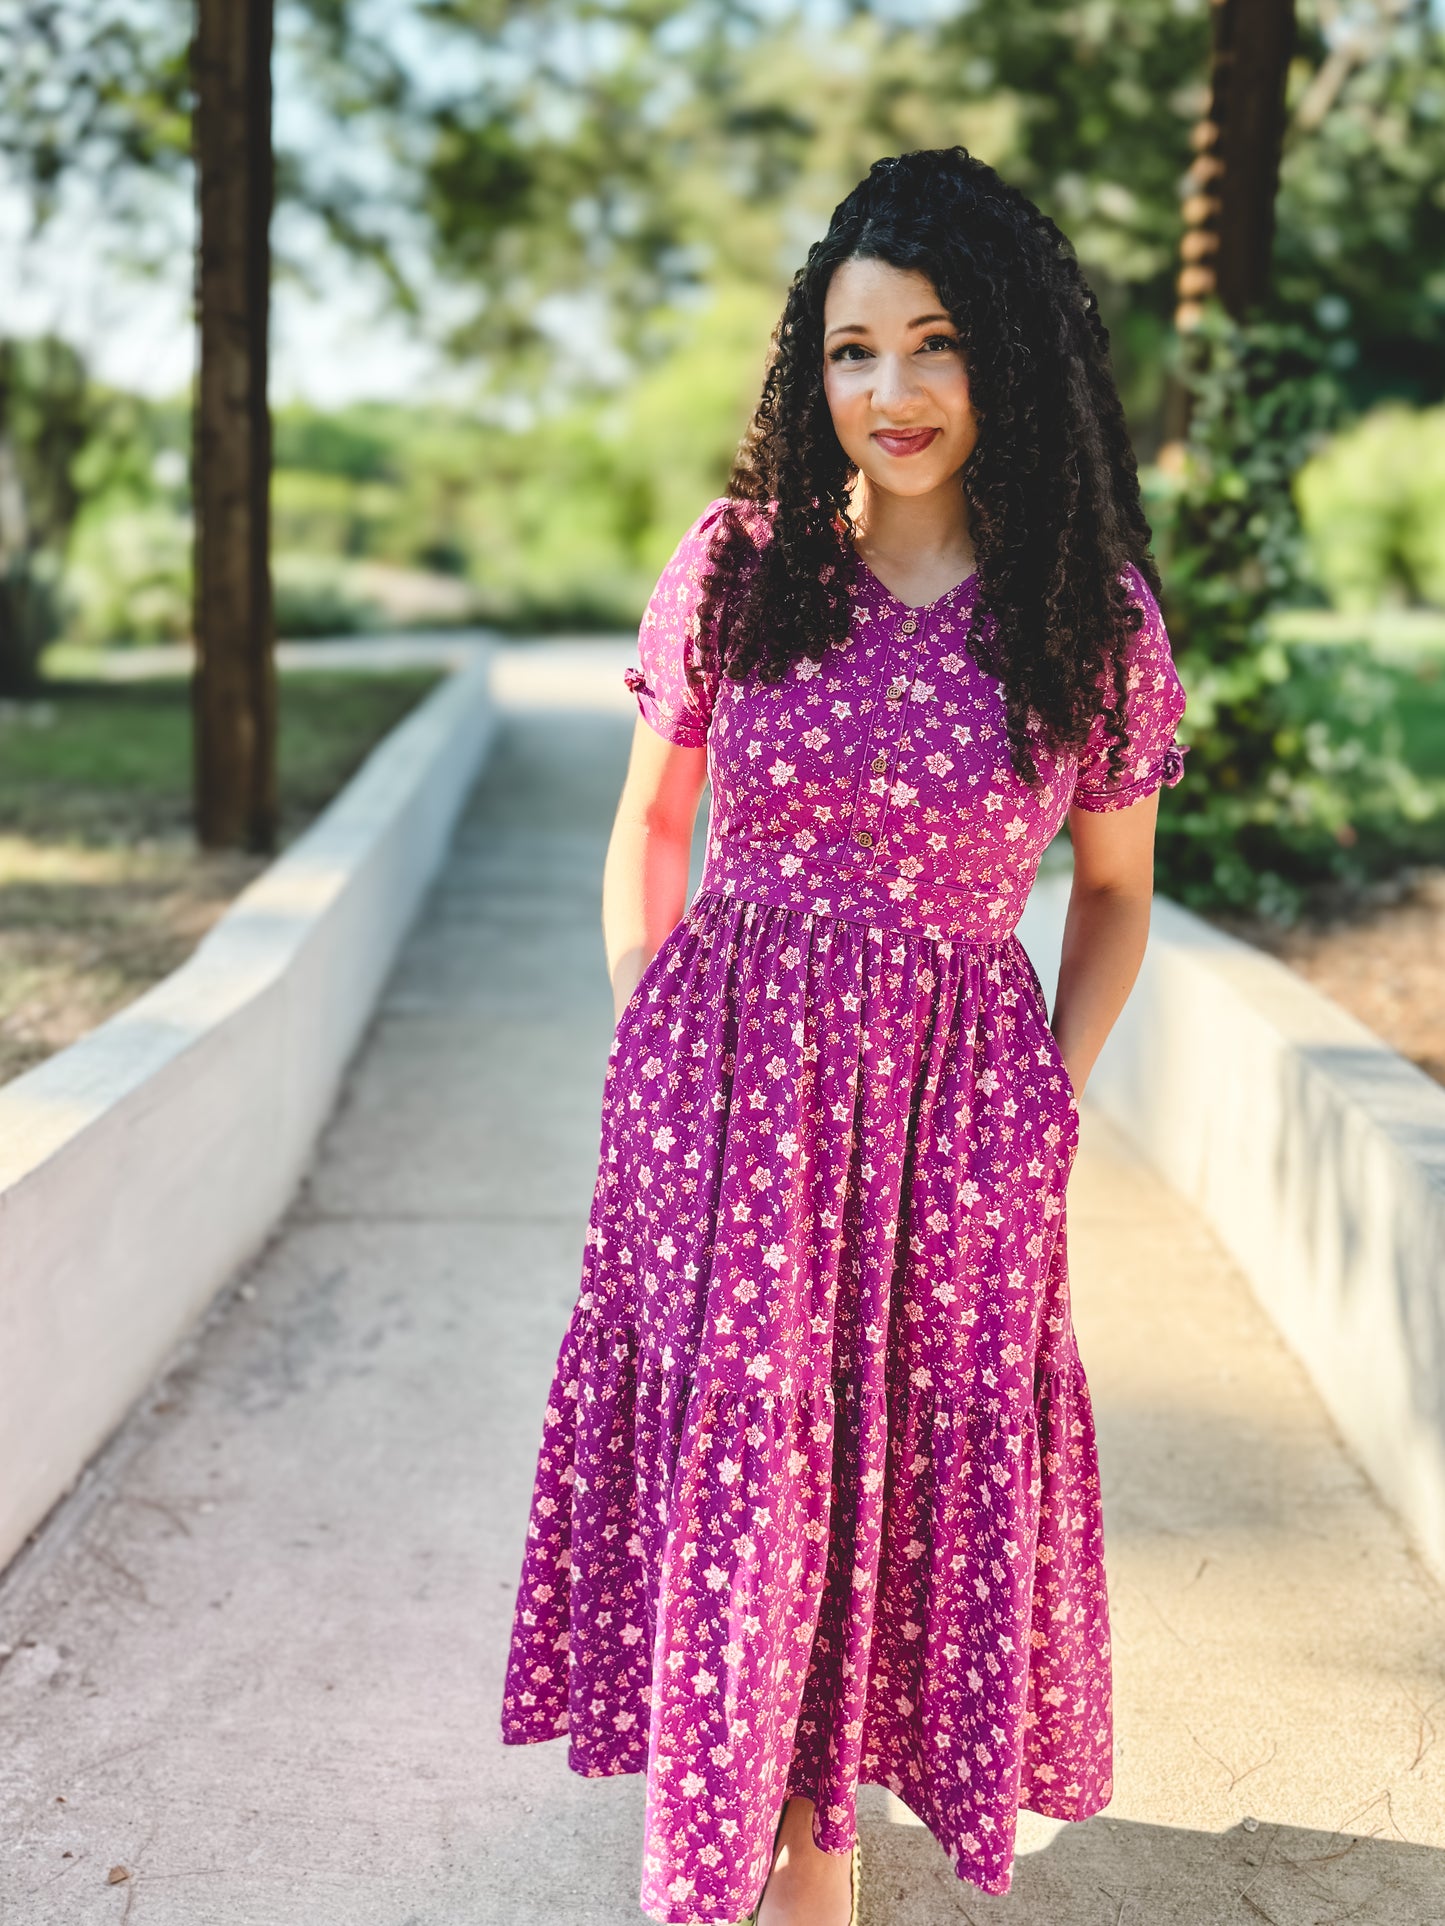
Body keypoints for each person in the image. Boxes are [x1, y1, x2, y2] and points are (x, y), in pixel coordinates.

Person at [500, 146, 1189, 1926]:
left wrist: (1049, 1092)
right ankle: (764, 1876)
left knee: (886, 1488)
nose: (887, 393)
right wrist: (649, 1033)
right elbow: (653, 824)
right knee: (749, 1479)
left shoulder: (1086, 618)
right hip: (716, 1108)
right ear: (808, 373)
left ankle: (821, 1848)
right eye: (848, 352)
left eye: (934, 344)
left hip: (957, 1127)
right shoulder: (740, 569)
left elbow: (1111, 895)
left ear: (1012, 360)